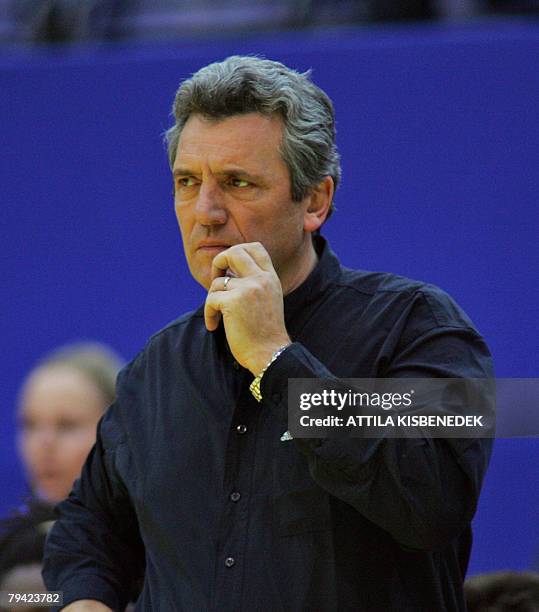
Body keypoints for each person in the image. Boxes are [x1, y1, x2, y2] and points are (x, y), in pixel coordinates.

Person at [43, 55, 493, 611]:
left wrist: (278, 361)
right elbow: (84, 529)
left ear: (315, 201)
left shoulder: (418, 326)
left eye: (237, 183)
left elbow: (433, 502)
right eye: (187, 182)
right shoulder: (154, 370)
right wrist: (83, 600)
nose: (205, 211)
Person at [17, 342, 123, 504]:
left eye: (67, 425)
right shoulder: (21, 528)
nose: (44, 443)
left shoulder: (160, 525)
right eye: (31, 425)